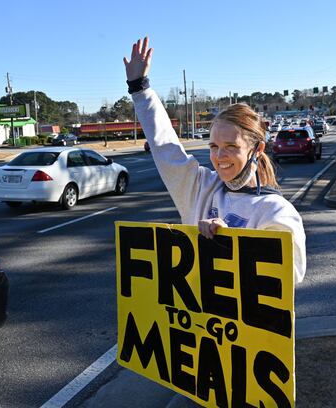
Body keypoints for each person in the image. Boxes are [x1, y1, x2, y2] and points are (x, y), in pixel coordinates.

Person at [123, 37, 306, 283]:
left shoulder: (276, 211)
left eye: (231, 146)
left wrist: (229, 243)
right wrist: (139, 88)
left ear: (258, 149)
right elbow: (165, 146)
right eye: (214, 146)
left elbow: (284, 281)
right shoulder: (200, 189)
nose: (219, 157)